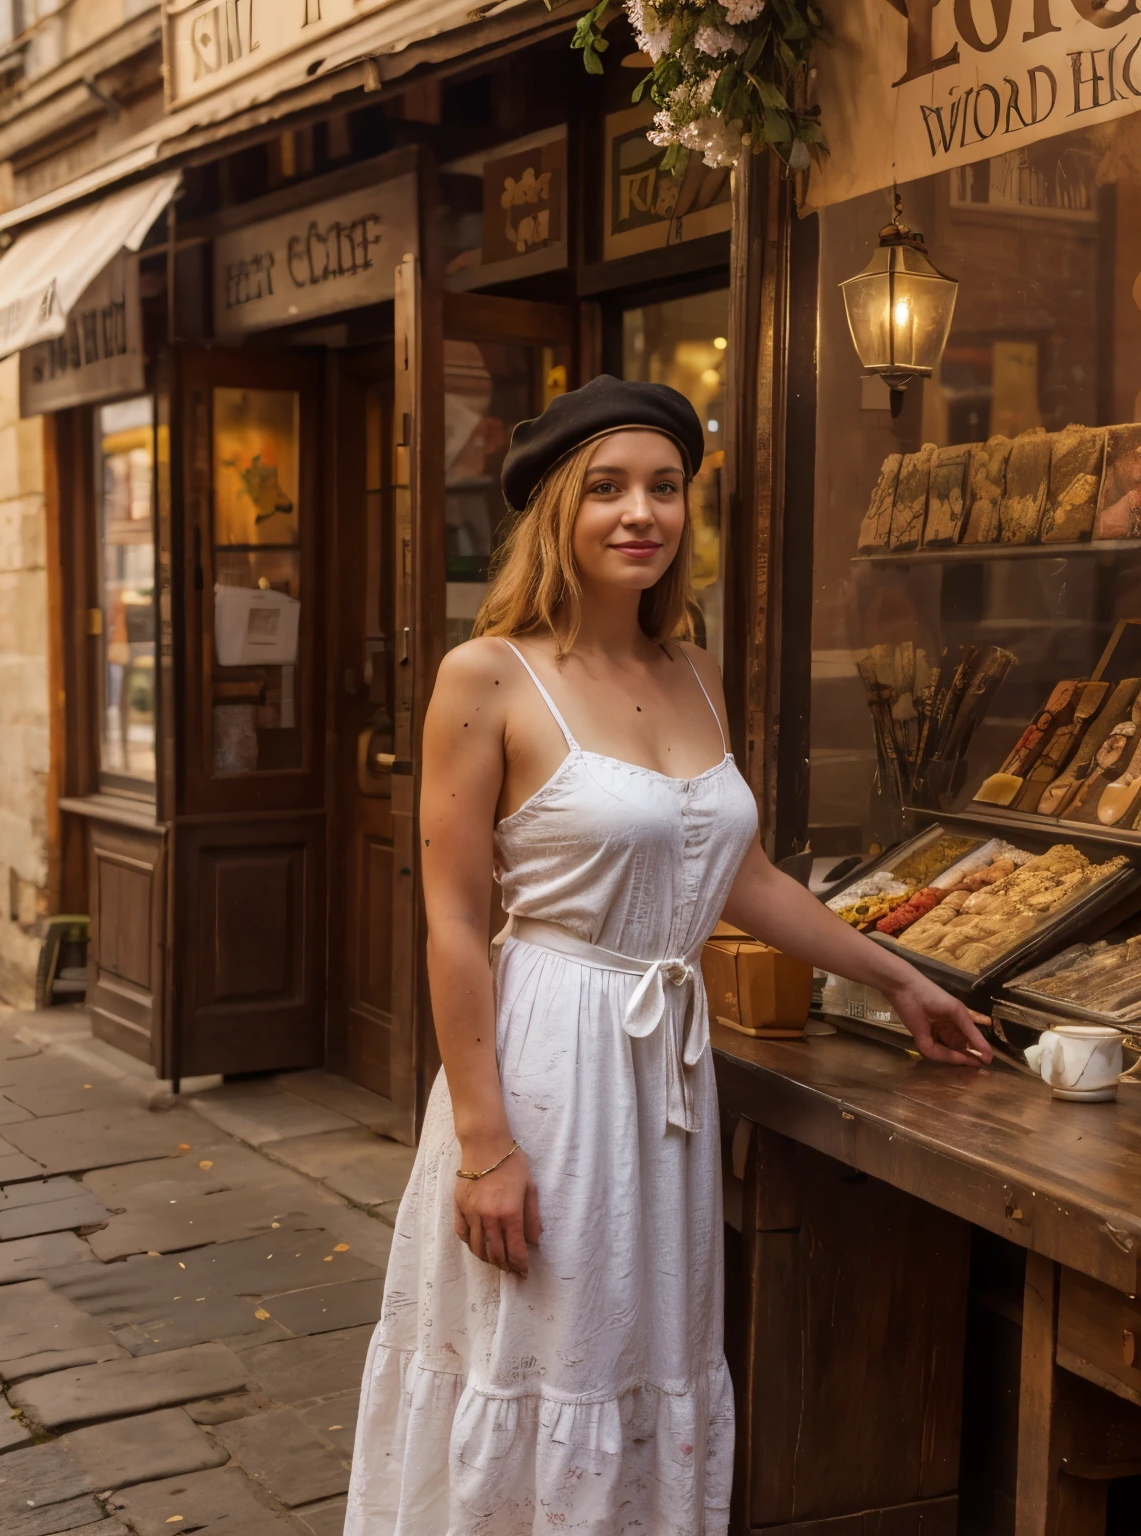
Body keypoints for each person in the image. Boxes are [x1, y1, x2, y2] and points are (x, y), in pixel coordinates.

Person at [344, 375, 992, 1536]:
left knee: (643, 1352)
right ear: (556, 509)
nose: (642, 513)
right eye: (608, 489)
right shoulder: (487, 674)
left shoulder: (690, 669)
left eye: (666, 488)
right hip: (549, 1059)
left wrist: (899, 977)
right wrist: (485, 1146)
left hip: (663, 1082)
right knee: (539, 1350)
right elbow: (448, 917)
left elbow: (735, 876)